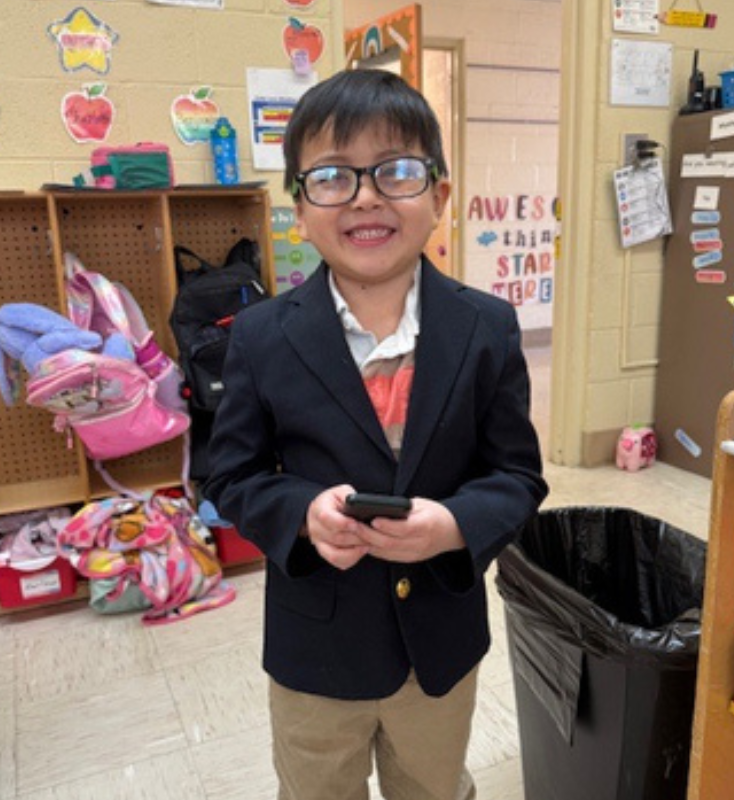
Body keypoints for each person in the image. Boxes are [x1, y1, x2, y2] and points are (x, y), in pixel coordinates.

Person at [204, 68, 548, 800]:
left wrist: (454, 524)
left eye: (395, 171)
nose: (364, 195)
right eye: (332, 176)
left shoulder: (486, 327)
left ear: (440, 197)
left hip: (440, 646)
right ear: (300, 207)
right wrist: (301, 514)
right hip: (315, 649)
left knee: (433, 786)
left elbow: (517, 477)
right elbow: (229, 477)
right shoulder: (262, 336)